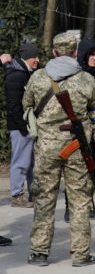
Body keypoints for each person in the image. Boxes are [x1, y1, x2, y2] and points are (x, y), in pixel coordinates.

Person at [22, 32, 95, 267]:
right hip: (76, 148)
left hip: (47, 149)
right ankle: (80, 255)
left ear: (54, 52)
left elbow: (26, 106)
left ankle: (39, 253)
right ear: (76, 53)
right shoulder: (87, 80)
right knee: (79, 201)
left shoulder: (38, 77)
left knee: (44, 199)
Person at [63, 39, 95, 222]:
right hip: (76, 131)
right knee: (74, 171)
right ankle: (70, 208)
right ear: (83, 54)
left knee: (92, 169)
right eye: (91, 54)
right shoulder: (75, 76)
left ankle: (88, 205)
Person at [3, 43, 40, 208]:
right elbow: (13, 106)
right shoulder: (17, 76)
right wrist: (24, 128)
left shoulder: (23, 72)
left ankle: (33, 194)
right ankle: (17, 196)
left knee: (30, 162)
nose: (38, 60)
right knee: (21, 161)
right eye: (35, 57)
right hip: (21, 127)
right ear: (28, 57)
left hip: (26, 126)